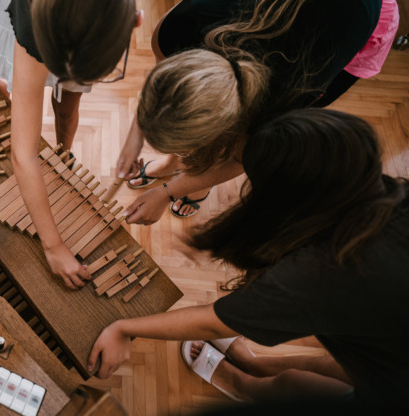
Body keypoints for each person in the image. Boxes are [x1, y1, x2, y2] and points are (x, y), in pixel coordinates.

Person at [89, 109, 409, 407]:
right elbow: (241, 158)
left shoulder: (321, 274)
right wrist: (167, 192)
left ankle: (242, 383)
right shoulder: (385, 194)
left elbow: (214, 321)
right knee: (337, 367)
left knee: (292, 387)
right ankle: (254, 364)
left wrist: (123, 327)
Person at [118, 0, 399, 221]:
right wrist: (134, 141)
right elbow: (159, 91)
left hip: (363, 4)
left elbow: (240, 158)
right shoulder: (172, 35)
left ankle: (200, 184)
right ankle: (174, 163)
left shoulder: (282, 103)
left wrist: (166, 194)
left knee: (233, 143)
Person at [0, 0, 191, 290]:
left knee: (68, 103)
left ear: (136, 18)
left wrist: (135, 137)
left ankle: (64, 153)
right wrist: (53, 247)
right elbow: (22, 153)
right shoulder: (31, 6)